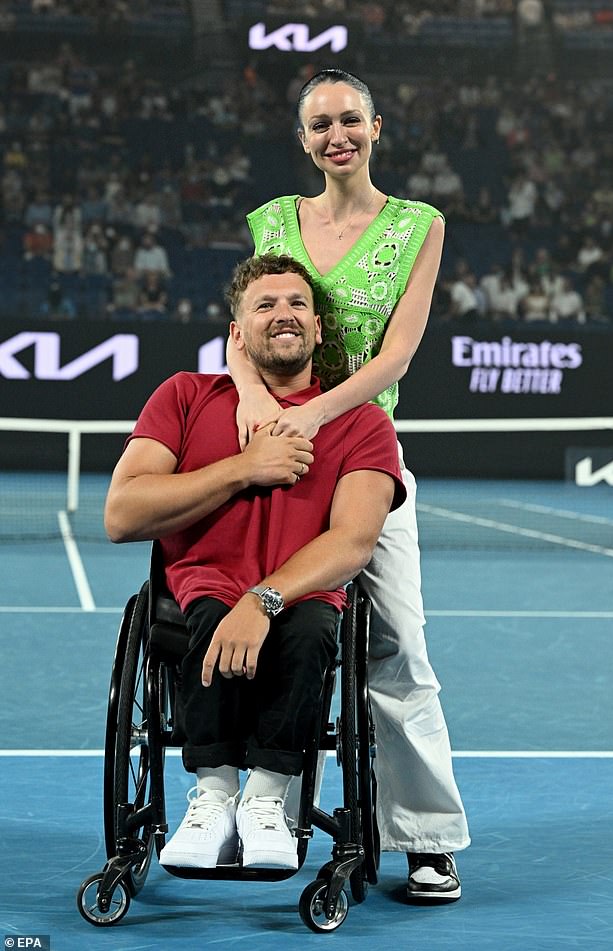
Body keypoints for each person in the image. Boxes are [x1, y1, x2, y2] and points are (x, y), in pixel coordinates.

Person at [228, 68, 469, 902]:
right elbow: (244, 326)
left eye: (351, 121)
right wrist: (258, 400)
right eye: (321, 124)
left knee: (398, 645)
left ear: (376, 128)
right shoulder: (272, 222)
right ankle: (274, 816)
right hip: (281, 457)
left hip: (366, 449)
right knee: (285, 629)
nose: (337, 135)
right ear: (304, 139)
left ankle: (428, 839)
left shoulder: (417, 225)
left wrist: (315, 414)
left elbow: (397, 356)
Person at [104, 253, 405, 871]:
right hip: (199, 594)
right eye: (264, 305)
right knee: (208, 619)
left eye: (297, 303)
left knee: (313, 629)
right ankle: (212, 799)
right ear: (237, 335)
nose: (283, 314)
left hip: (299, 599)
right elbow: (122, 514)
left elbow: (353, 540)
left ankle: (266, 802)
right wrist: (246, 467)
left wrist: (263, 599)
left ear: (319, 328)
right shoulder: (185, 395)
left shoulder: (364, 423)